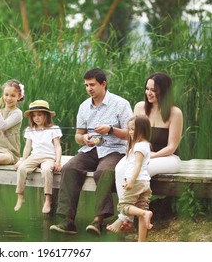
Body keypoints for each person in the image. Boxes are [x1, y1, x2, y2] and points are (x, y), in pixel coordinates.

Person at [49, 68, 132, 235]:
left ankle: (98, 220)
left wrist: (110, 130)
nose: (89, 89)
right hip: (91, 148)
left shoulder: (121, 104)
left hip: (115, 150)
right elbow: (78, 136)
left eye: (92, 85)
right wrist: (84, 138)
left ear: (103, 84)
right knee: (69, 168)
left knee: (104, 171)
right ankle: (68, 221)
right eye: (86, 85)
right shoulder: (83, 107)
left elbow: (131, 134)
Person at [107, 72, 183, 232]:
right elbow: (133, 136)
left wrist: (150, 156)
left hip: (168, 158)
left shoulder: (175, 112)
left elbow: (172, 146)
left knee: (141, 169)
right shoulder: (140, 107)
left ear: (164, 91)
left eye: (153, 90)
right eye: (147, 89)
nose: (149, 93)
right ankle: (128, 217)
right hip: (141, 153)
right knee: (120, 168)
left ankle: (124, 218)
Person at [107, 115, 153, 242]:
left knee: (123, 207)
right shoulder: (145, 145)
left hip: (137, 182)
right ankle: (141, 242)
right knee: (142, 209)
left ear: (142, 130)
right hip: (145, 182)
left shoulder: (138, 147)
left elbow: (137, 164)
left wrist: (131, 181)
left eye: (133, 129)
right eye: (129, 129)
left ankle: (145, 214)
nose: (130, 132)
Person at [14, 100, 62, 214]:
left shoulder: (54, 129)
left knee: (46, 170)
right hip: (34, 156)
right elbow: (27, 147)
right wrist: (23, 160)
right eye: (34, 115)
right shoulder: (30, 130)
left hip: (48, 157)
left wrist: (58, 162)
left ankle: (48, 198)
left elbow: (57, 147)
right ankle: (20, 195)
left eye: (39, 115)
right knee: (22, 168)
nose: (37, 118)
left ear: (46, 115)